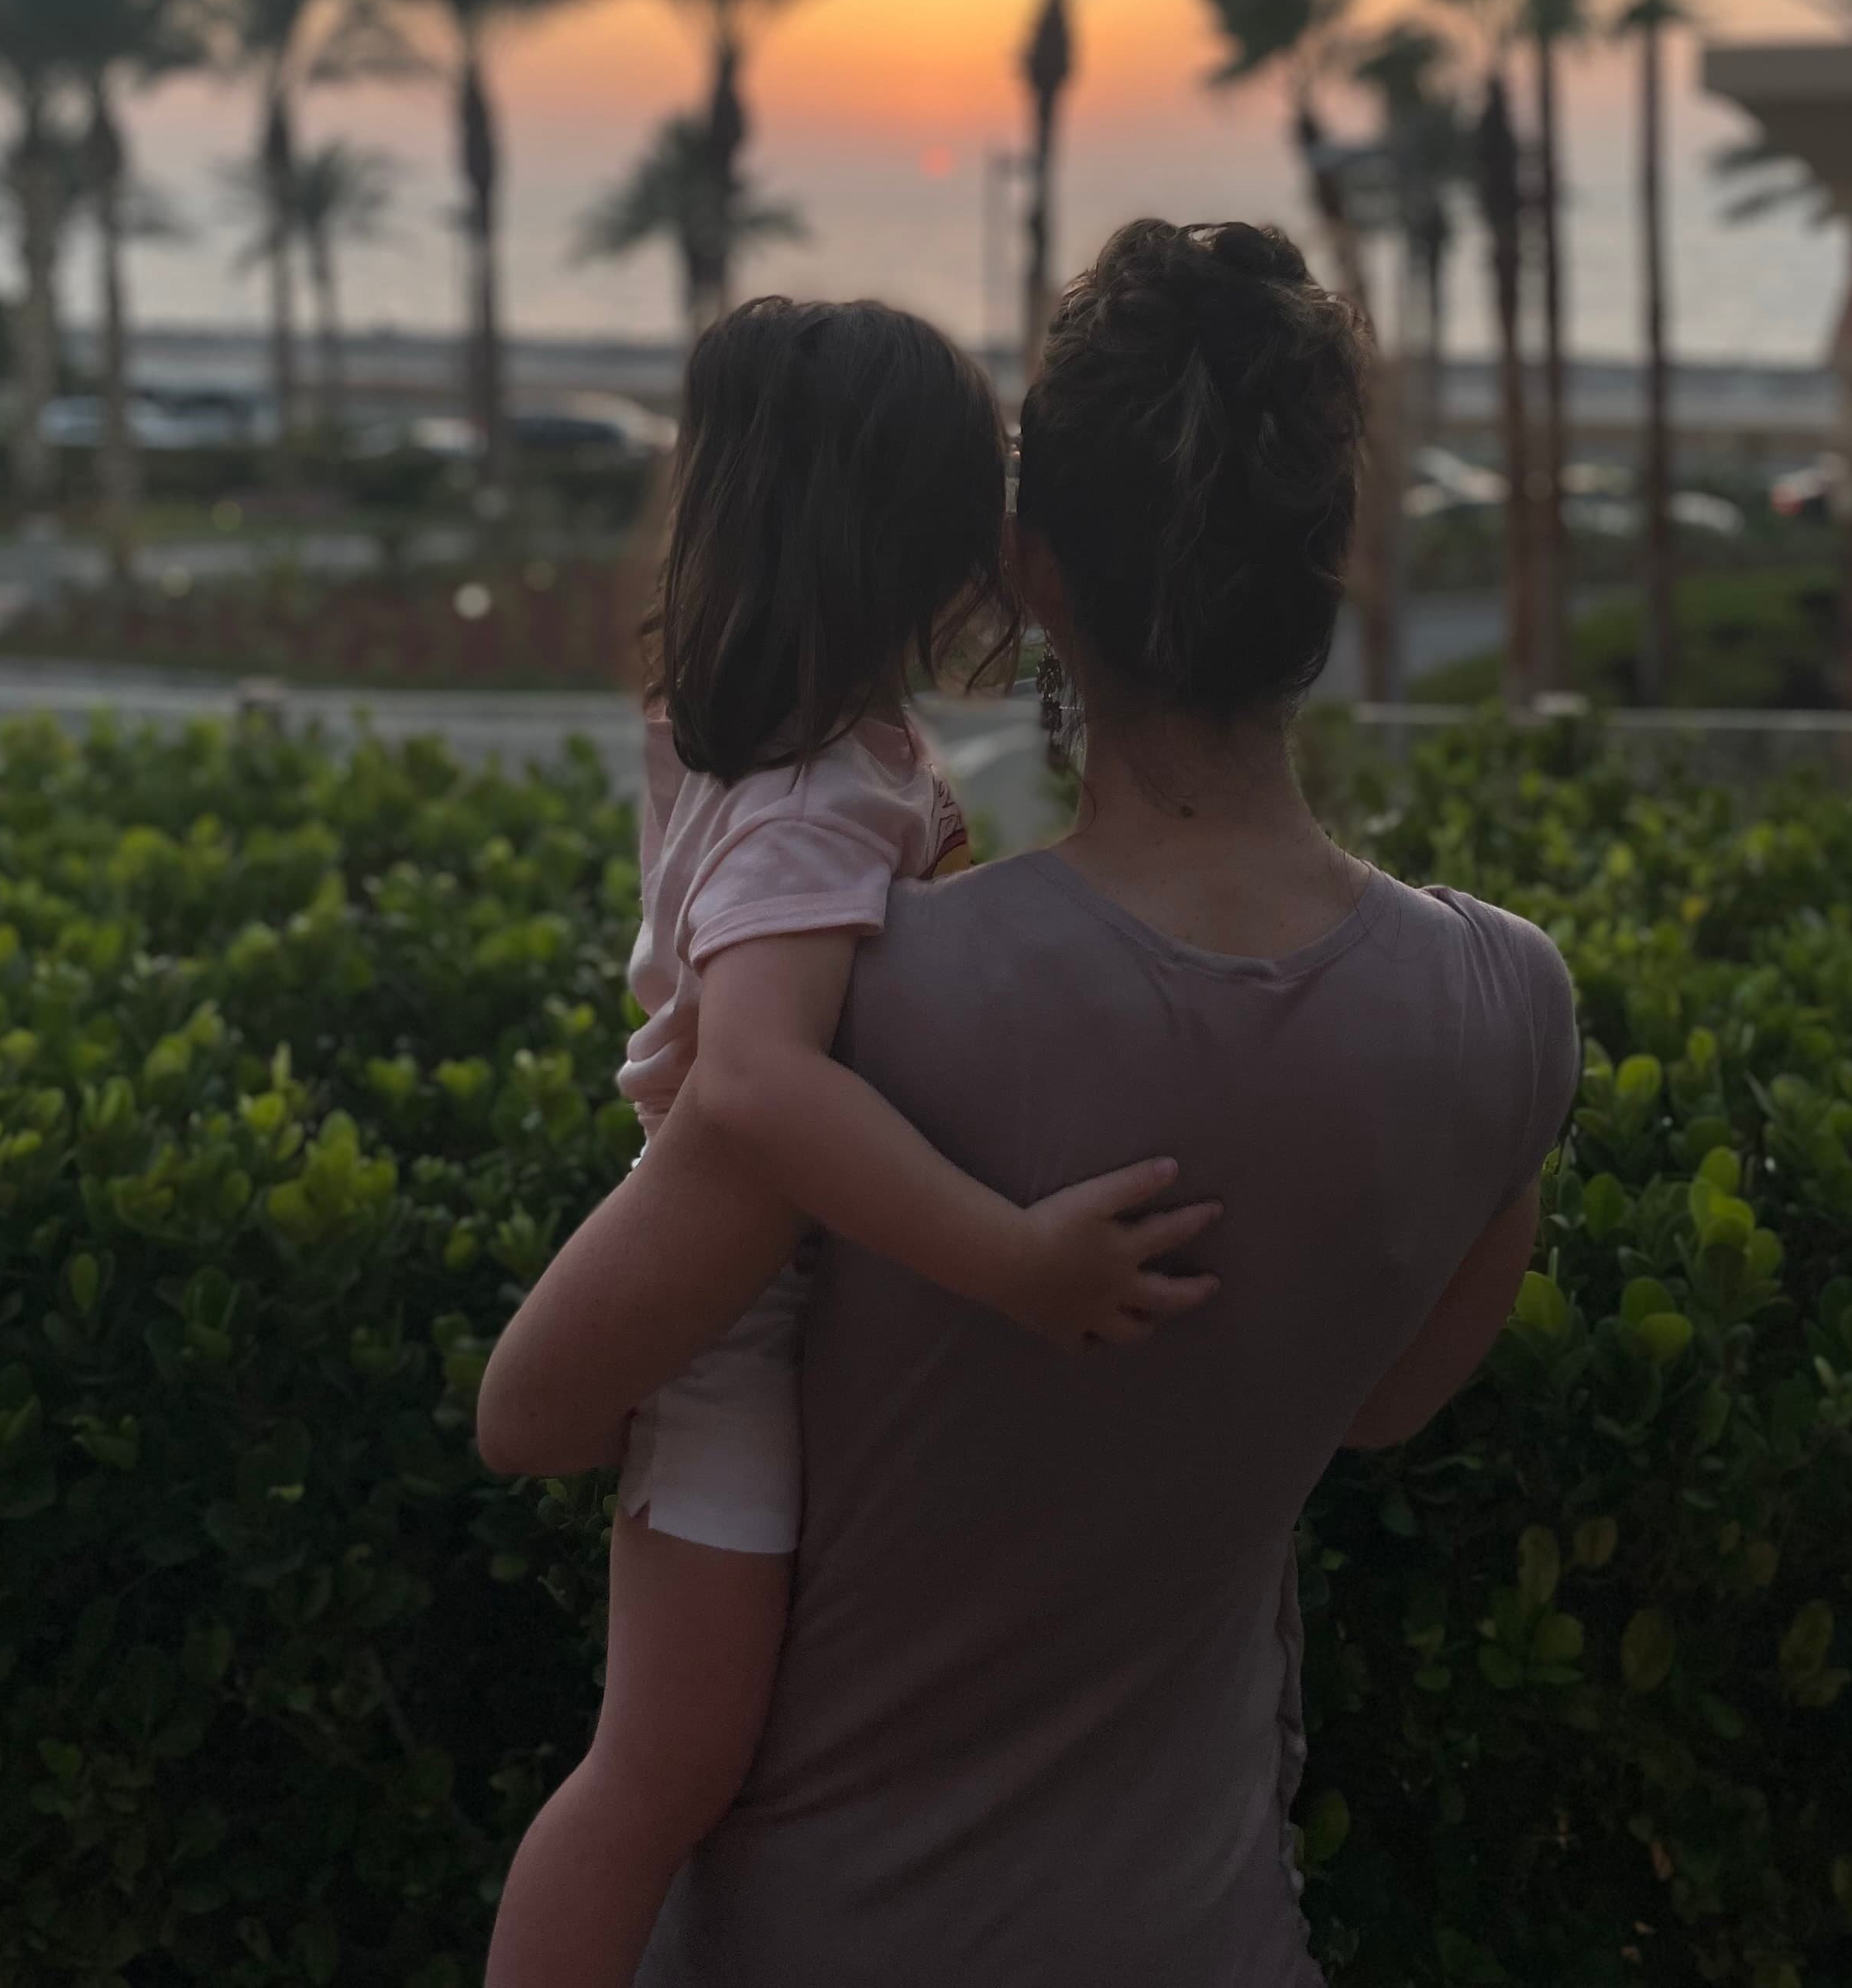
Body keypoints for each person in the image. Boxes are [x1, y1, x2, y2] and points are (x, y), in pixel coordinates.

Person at [479, 220, 1580, 1987]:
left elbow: (535, 1406)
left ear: (1030, 566)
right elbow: (1384, 1406)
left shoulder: (872, 1012)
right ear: (1334, 558)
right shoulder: (1508, 1011)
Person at [483, 294, 1218, 1988]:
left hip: (749, 1290)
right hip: (734, 1330)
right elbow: (753, 1083)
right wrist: (1012, 1258)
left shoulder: (746, 741)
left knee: (677, 1767)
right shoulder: (824, 798)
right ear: (928, 541)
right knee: (662, 1773)